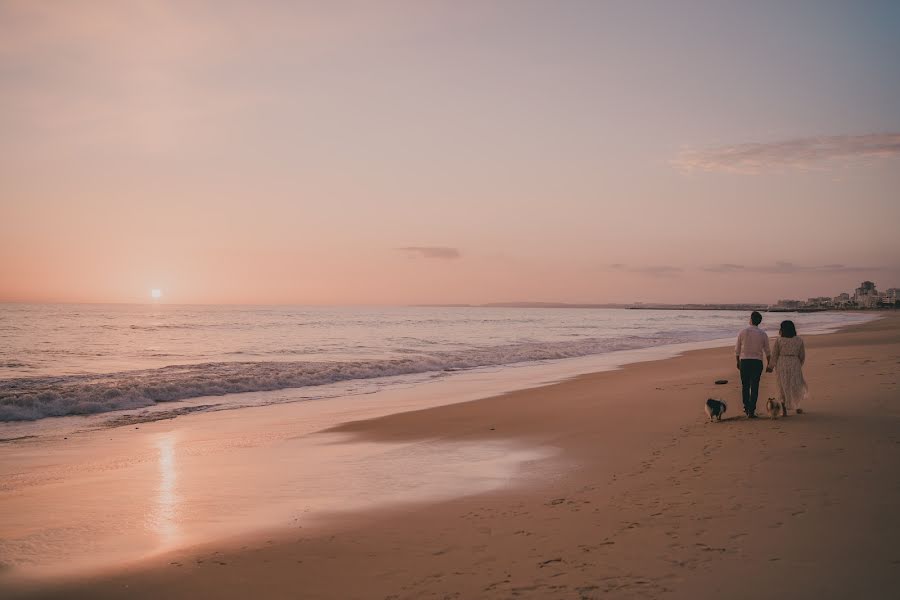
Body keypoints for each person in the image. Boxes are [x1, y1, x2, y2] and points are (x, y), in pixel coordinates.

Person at [766, 320, 808, 415]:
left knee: (782, 386)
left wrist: (770, 367)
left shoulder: (779, 340)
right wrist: (798, 364)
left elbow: (774, 355)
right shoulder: (799, 340)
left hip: (782, 364)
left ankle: (784, 410)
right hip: (794, 363)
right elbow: (802, 355)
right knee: (795, 385)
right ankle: (797, 406)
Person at [735, 311, 770, 418]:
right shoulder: (763, 334)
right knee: (755, 386)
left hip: (744, 361)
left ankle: (746, 408)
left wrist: (737, 362)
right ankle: (752, 410)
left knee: (745, 386)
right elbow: (767, 351)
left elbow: (737, 349)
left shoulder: (742, 332)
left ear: (750, 319)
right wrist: (769, 364)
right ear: (759, 322)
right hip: (757, 362)